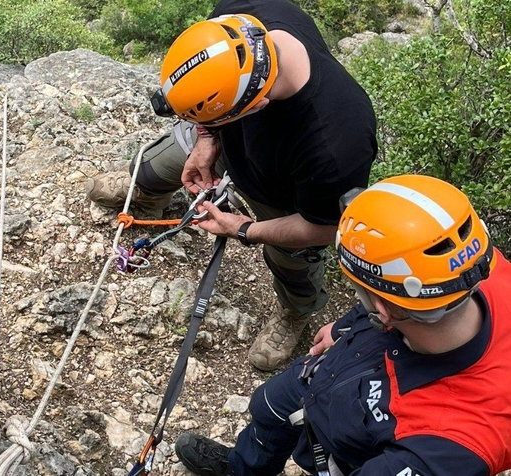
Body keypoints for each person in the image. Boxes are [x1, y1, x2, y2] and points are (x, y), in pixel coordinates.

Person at [86, 0, 378, 371]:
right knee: (151, 167)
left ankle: (295, 311)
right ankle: (147, 197)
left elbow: (324, 226)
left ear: (256, 106)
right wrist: (207, 138)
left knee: (291, 260)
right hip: (231, 144)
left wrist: (243, 228)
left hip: (284, 196)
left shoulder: (336, 141)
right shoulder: (246, 14)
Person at [174, 174, 511, 476]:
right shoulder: (471, 261)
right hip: (347, 363)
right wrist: (343, 327)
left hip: (356, 438)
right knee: (269, 404)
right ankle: (242, 467)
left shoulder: (450, 447)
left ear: (383, 309)